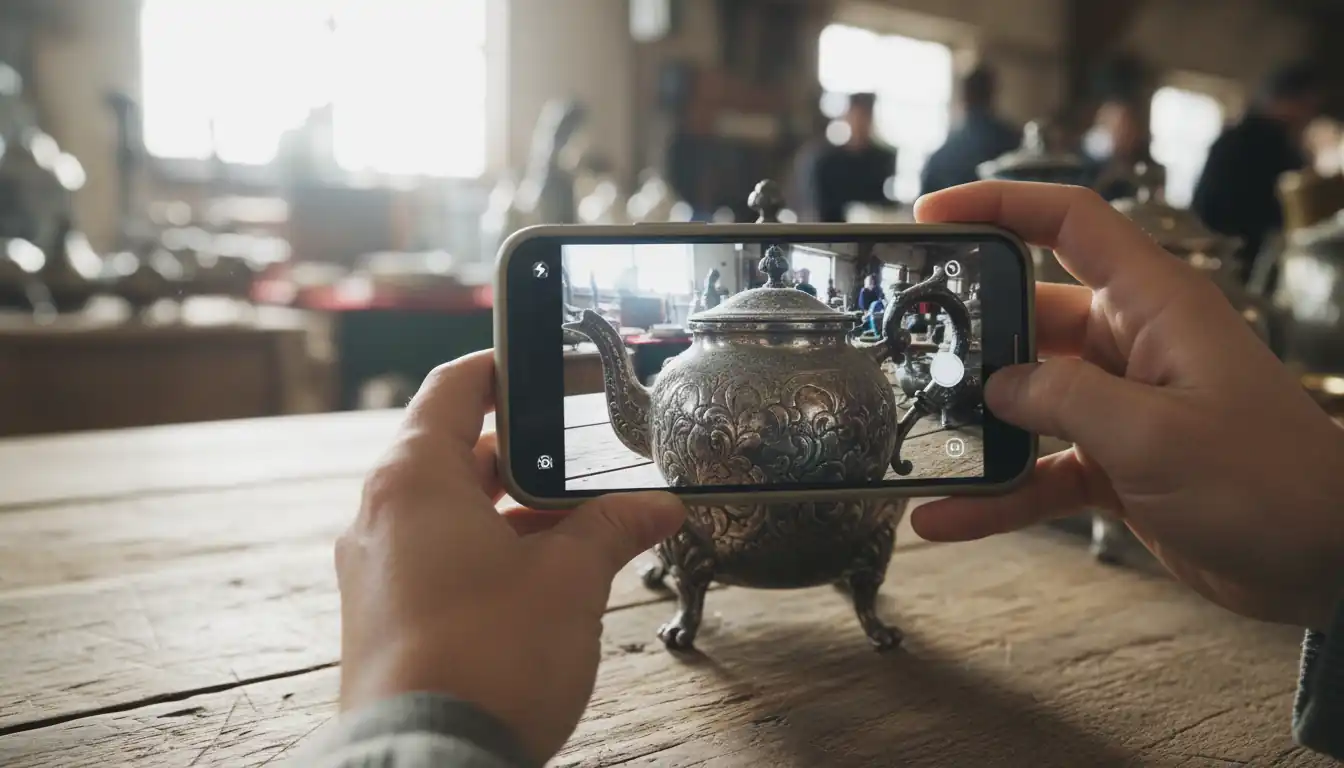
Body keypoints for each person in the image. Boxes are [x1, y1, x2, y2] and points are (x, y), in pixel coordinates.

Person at [298, 181, 1344, 767]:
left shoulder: (838, 354)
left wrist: (423, 715)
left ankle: (809, 584)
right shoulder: (714, 358)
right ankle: (730, 586)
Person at [1192, 62, 1325, 284]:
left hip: (1210, 259)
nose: (1308, 117)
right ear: (1288, 101)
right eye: (1307, 106)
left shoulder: (1232, 139)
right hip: (1244, 265)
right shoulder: (1274, 148)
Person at [919, 66, 1021, 196]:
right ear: (993, 93)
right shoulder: (1013, 142)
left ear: (964, 95)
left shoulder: (942, 154)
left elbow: (924, 206)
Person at [805, 93, 898, 222]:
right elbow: (819, 206)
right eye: (856, 116)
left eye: (865, 116)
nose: (860, 122)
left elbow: (885, 203)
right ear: (847, 117)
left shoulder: (884, 158)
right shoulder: (826, 161)